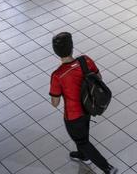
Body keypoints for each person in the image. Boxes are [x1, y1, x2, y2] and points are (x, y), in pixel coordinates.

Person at [49, 32, 117, 174]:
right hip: (88, 107)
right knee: (83, 134)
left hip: (73, 115)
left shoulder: (58, 75)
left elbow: (55, 102)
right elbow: (98, 77)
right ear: (72, 47)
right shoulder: (85, 61)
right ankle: (83, 156)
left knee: (82, 141)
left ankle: (107, 168)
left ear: (56, 52)